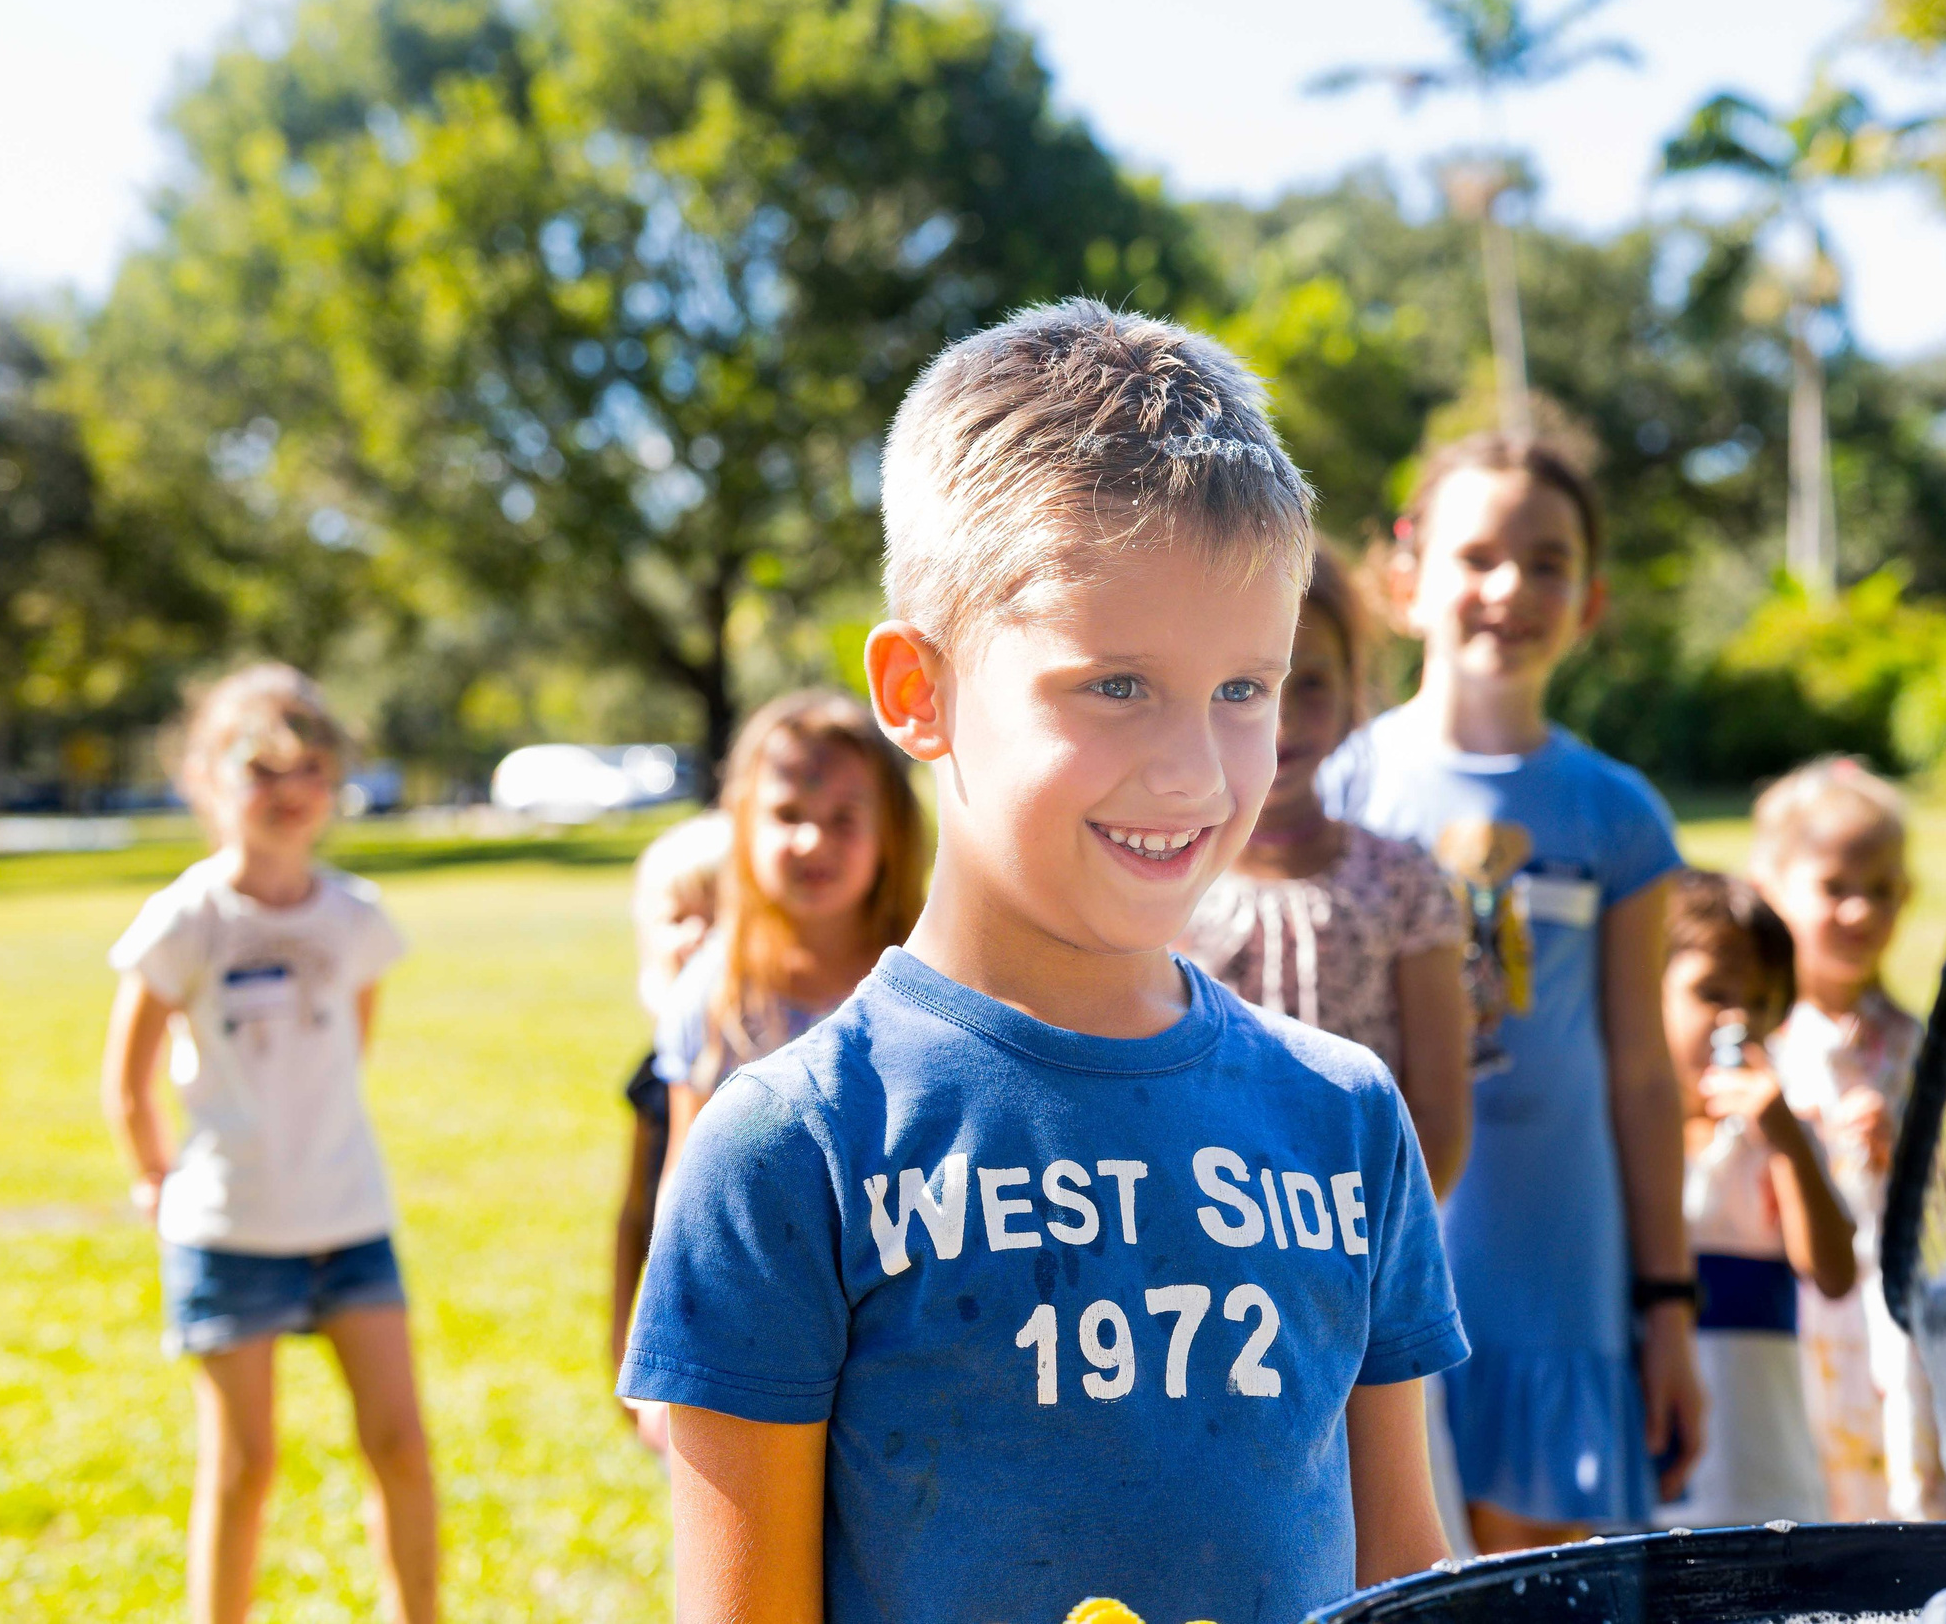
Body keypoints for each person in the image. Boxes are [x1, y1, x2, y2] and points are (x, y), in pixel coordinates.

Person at [619, 299, 1467, 1624]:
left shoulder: (1345, 1117)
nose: (1197, 767)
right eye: (1115, 682)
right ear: (919, 690)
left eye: (1246, 687)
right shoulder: (792, 1149)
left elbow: (1407, 1573)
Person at [1321, 431, 1702, 1549]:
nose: (1510, 588)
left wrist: (1666, 1313)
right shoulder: (1341, 787)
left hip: (1562, 1284)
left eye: (1547, 562)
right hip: (1386, 1274)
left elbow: (1640, 1075)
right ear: (1407, 579)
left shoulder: (1618, 814)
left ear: (1589, 600)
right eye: (1478, 554)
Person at [100, 664, 435, 1624]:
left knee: (400, 1444)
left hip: (350, 1223)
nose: (289, 793)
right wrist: (153, 1179)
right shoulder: (187, 918)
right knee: (244, 1466)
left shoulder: (355, 916)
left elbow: (352, 1041)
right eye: (260, 769)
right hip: (229, 1233)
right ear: (205, 779)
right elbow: (125, 1077)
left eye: (312, 768)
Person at [1175, 540, 1474, 1194]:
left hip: (1360, 1243)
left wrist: (1376, 1260)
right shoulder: (1164, 876)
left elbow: (1439, 1118)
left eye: (1309, 682)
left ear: (1351, 692)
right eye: (1243, 686)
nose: (1279, 717)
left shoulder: (1405, 884)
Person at [1752, 757, 1946, 1521]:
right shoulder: (1764, 1042)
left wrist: (1901, 1149)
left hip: (1894, 1322)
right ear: (1775, 886)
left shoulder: (1911, 1044)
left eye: (1883, 890)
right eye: (1835, 888)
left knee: (1900, 1496)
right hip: (1792, 1323)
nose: (1860, 912)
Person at [649, 689, 929, 1172]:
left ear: (892, 830)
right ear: (742, 823)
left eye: (843, 818)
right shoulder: (713, 995)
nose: (812, 841)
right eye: (787, 813)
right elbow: (684, 1192)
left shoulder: (941, 980)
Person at [1653, 871, 1856, 1528]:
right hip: (1654, 1466)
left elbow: (1831, 1271)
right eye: (1710, 993)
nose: (1736, 1018)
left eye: (1762, 1000)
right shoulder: (1625, 1140)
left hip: (1761, 1467)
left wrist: (1787, 1143)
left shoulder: (1782, 1133)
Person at [611, 808, 732, 1443]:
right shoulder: (655, 1079)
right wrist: (624, 1346)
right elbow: (639, 1215)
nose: (697, 939)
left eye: (717, 918)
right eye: (678, 917)